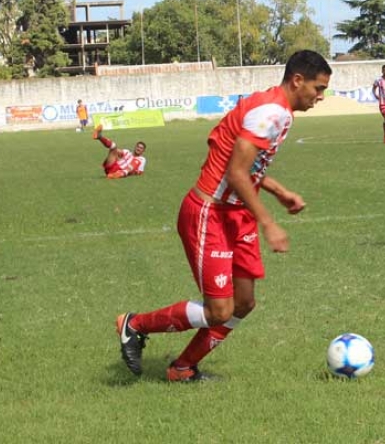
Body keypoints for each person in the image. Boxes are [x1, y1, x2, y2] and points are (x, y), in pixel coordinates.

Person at [114, 50, 332, 382]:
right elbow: (236, 173)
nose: (320, 97)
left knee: (243, 304)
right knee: (220, 311)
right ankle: (134, 324)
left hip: (236, 215)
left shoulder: (274, 108)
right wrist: (269, 223)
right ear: (297, 80)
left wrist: (277, 190)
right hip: (209, 213)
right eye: (318, 88)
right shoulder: (271, 112)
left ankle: (182, 368)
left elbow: (234, 154)